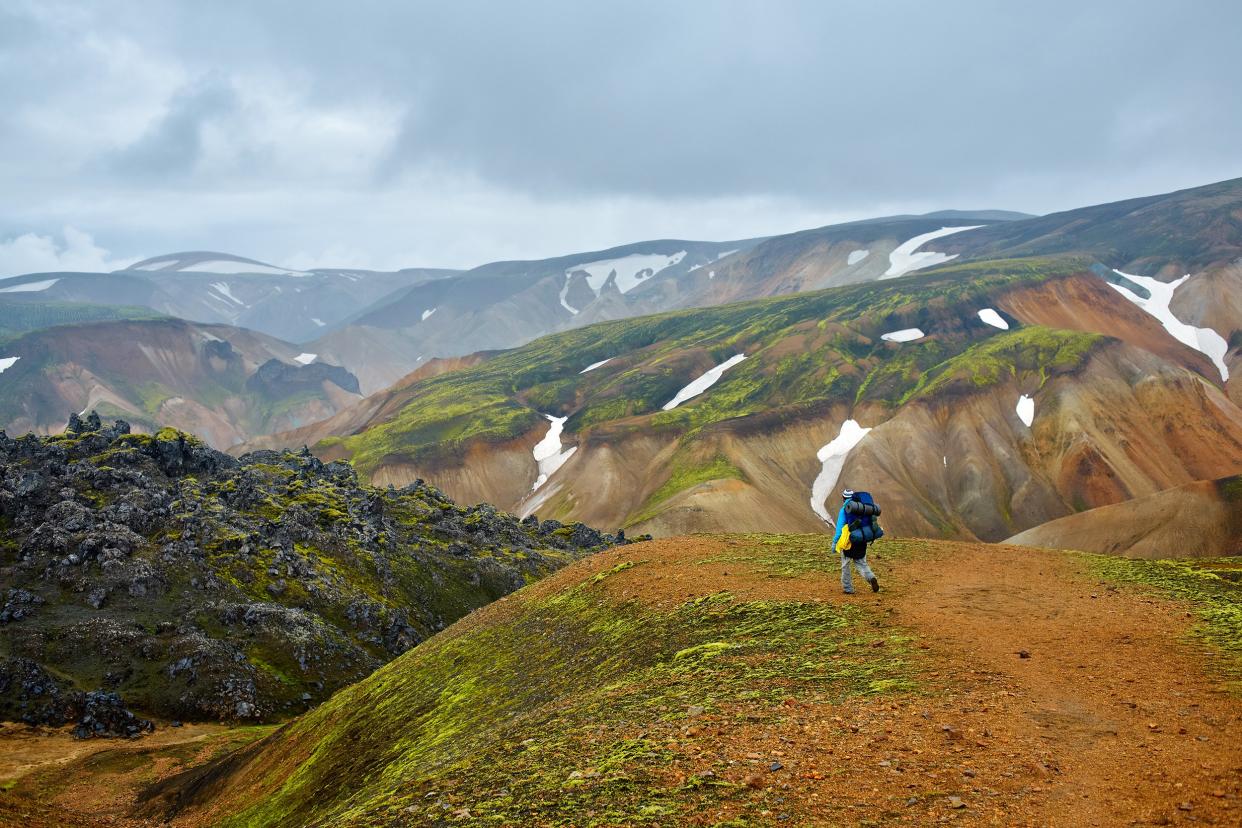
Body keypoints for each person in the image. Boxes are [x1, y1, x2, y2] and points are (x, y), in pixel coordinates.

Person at [834, 488, 880, 594]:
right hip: (862, 538)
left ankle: (848, 588)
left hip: (849, 540)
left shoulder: (846, 509)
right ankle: (871, 578)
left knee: (845, 564)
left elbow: (840, 527)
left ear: (843, 498)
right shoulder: (863, 508)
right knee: (861, 563)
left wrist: (835, 542)